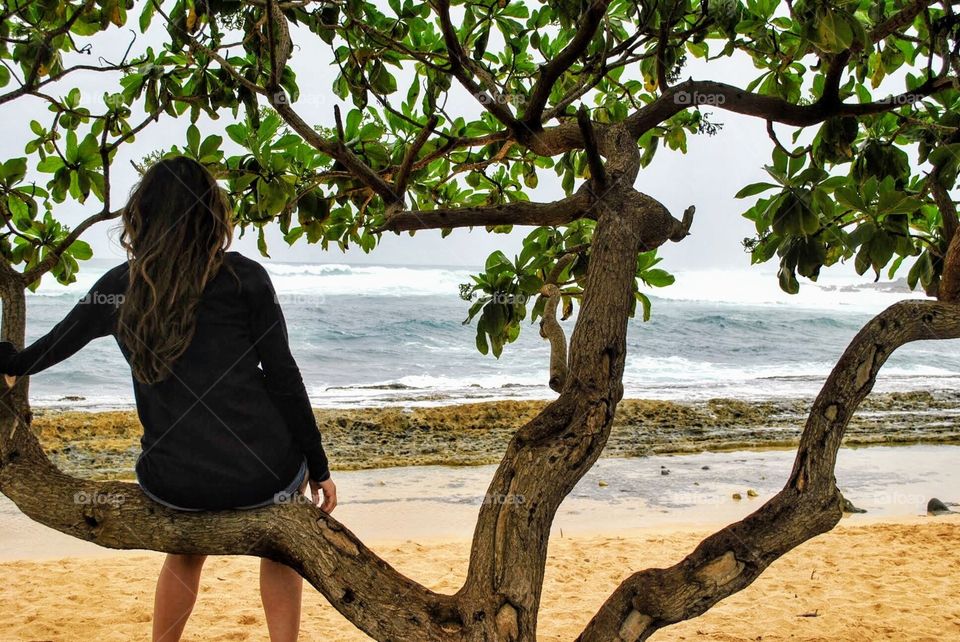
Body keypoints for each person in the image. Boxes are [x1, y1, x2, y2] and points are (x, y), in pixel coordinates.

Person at [0, 156, 336, 642]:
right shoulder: (245, 279)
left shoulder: (120, 285)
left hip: (174, 484)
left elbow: (49, 349)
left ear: (143, 215)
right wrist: (318, 466)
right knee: (279, 543)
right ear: (212, 215)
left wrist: (10, 362)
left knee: (183, 551)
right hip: (260, 475)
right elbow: (283, 377)